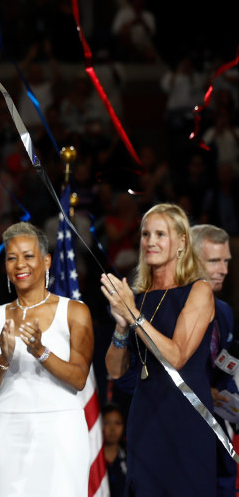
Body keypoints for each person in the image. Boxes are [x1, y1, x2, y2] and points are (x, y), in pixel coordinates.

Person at [102, 203, 216, 495]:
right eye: (145, 234)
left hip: (186, 418)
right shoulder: (136, 298)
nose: (150, 241)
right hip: (145, 417)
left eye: (160, 234)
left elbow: (176, 356)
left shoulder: (198, 290)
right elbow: (115, 371)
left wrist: (133, 316)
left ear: (181, 242)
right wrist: (120, 326)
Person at [0, 222, 93, 496]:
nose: (19, 264)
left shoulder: (75, 312)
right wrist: (3, 359)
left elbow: (78, 379)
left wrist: (40, 351)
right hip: (7, 432)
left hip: (60, 431)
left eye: (28, 256)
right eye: (12, 258)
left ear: (46, 261)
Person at [191, 223, 238, 496]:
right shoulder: (166, 309)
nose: (224, 269)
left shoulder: (224, 312)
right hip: (180, 433)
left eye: (226, 261)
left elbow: (223, 367)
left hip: (220, 434)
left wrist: (231, 399)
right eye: (214, 261)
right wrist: (202, 393)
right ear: (192, 260)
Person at [101, 403, 127, 497]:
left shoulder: (130, 459)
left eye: (117, 423)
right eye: (107, 423)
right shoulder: (93, 460)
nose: (112, 429)